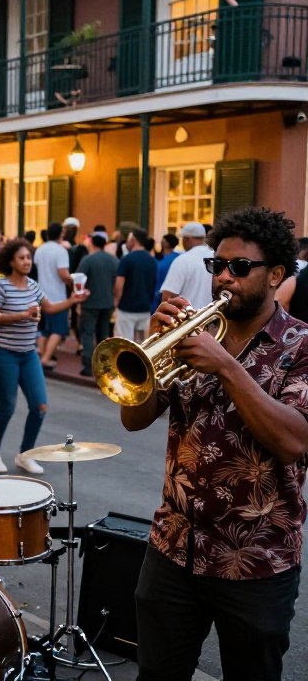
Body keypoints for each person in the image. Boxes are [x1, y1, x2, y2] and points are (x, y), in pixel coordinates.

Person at [119, 206, 308, 681]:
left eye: (239, 268)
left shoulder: (300, 345)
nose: (224, 278)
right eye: (216, 266)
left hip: (257, 560)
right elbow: (133, 418)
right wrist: (150, 350)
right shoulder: (195, 332)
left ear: (276, 275)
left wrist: (225, 365)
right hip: (173, 548)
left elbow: (293, 441)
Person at [0, 238, 87, 474]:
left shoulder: (32, 285)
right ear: (11, 261)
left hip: (28, 353)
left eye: (29, 257)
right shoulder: (1, 286)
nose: (27, 261)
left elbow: (48, 308)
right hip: (2, 354)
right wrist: (22, 315)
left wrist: (72, 300)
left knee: (39, 406)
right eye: (21, 258)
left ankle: (25, 455)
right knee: (7, 406)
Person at [76, 231, 117, 377]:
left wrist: (77, 302)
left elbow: (79, 280)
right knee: (103, 334)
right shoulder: (113, 260)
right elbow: (116, 281)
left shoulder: (88, 260)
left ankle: (88, 365)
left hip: (90, 302)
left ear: (92, 243)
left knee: (87, 333)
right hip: (107, 302)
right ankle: (104, 366)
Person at [33, 221, 72, 369]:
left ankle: (42, 355)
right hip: (57, 296)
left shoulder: (40, 249)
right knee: (58, 330)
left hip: (41, 293)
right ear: (61, 234)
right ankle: (46, 358)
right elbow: (63, 274)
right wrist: (73, 282)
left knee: (45, 329)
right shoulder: (61, 251)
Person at [160, 221, 215, 310]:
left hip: (188, 319)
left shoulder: (182, 260)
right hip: (212, 318)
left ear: (187, 239)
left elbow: (167, 298)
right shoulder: (215, 257)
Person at [114, 227, 156, 341]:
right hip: (145, 307)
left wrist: (116, 302)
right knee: (143, 343)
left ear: (133, 240)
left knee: (124, 341)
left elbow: (119, 285)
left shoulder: (126, 259)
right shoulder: (152, 260)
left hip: (126, 308)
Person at [153, 233, 180, 312]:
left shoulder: (177, 258)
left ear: (165, 242)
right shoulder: (178, 257)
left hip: (166, 294)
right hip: (160, 294)